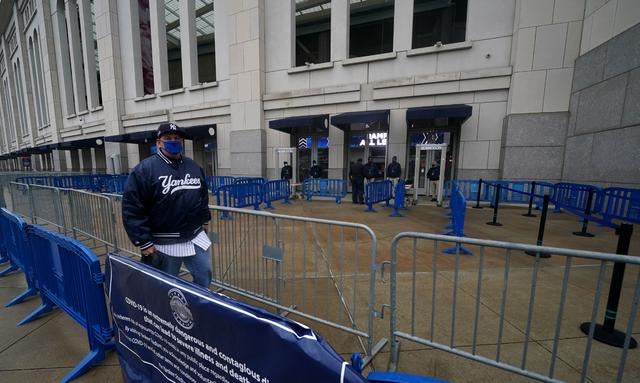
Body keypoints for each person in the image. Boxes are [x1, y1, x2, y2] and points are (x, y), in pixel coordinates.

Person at [122, 122, 212, 288]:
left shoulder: (193, 166)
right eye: (168, 138)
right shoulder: (144, 170)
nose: (174, 141)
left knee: (204, 276)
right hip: (164, 241)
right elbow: (132, 208)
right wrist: (143, 241)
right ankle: (166, 312)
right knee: (164, 285)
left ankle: (198, 307)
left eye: (177, 138)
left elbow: (202, 195)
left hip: (195, 235)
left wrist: (205, 219)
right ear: (158, 143)